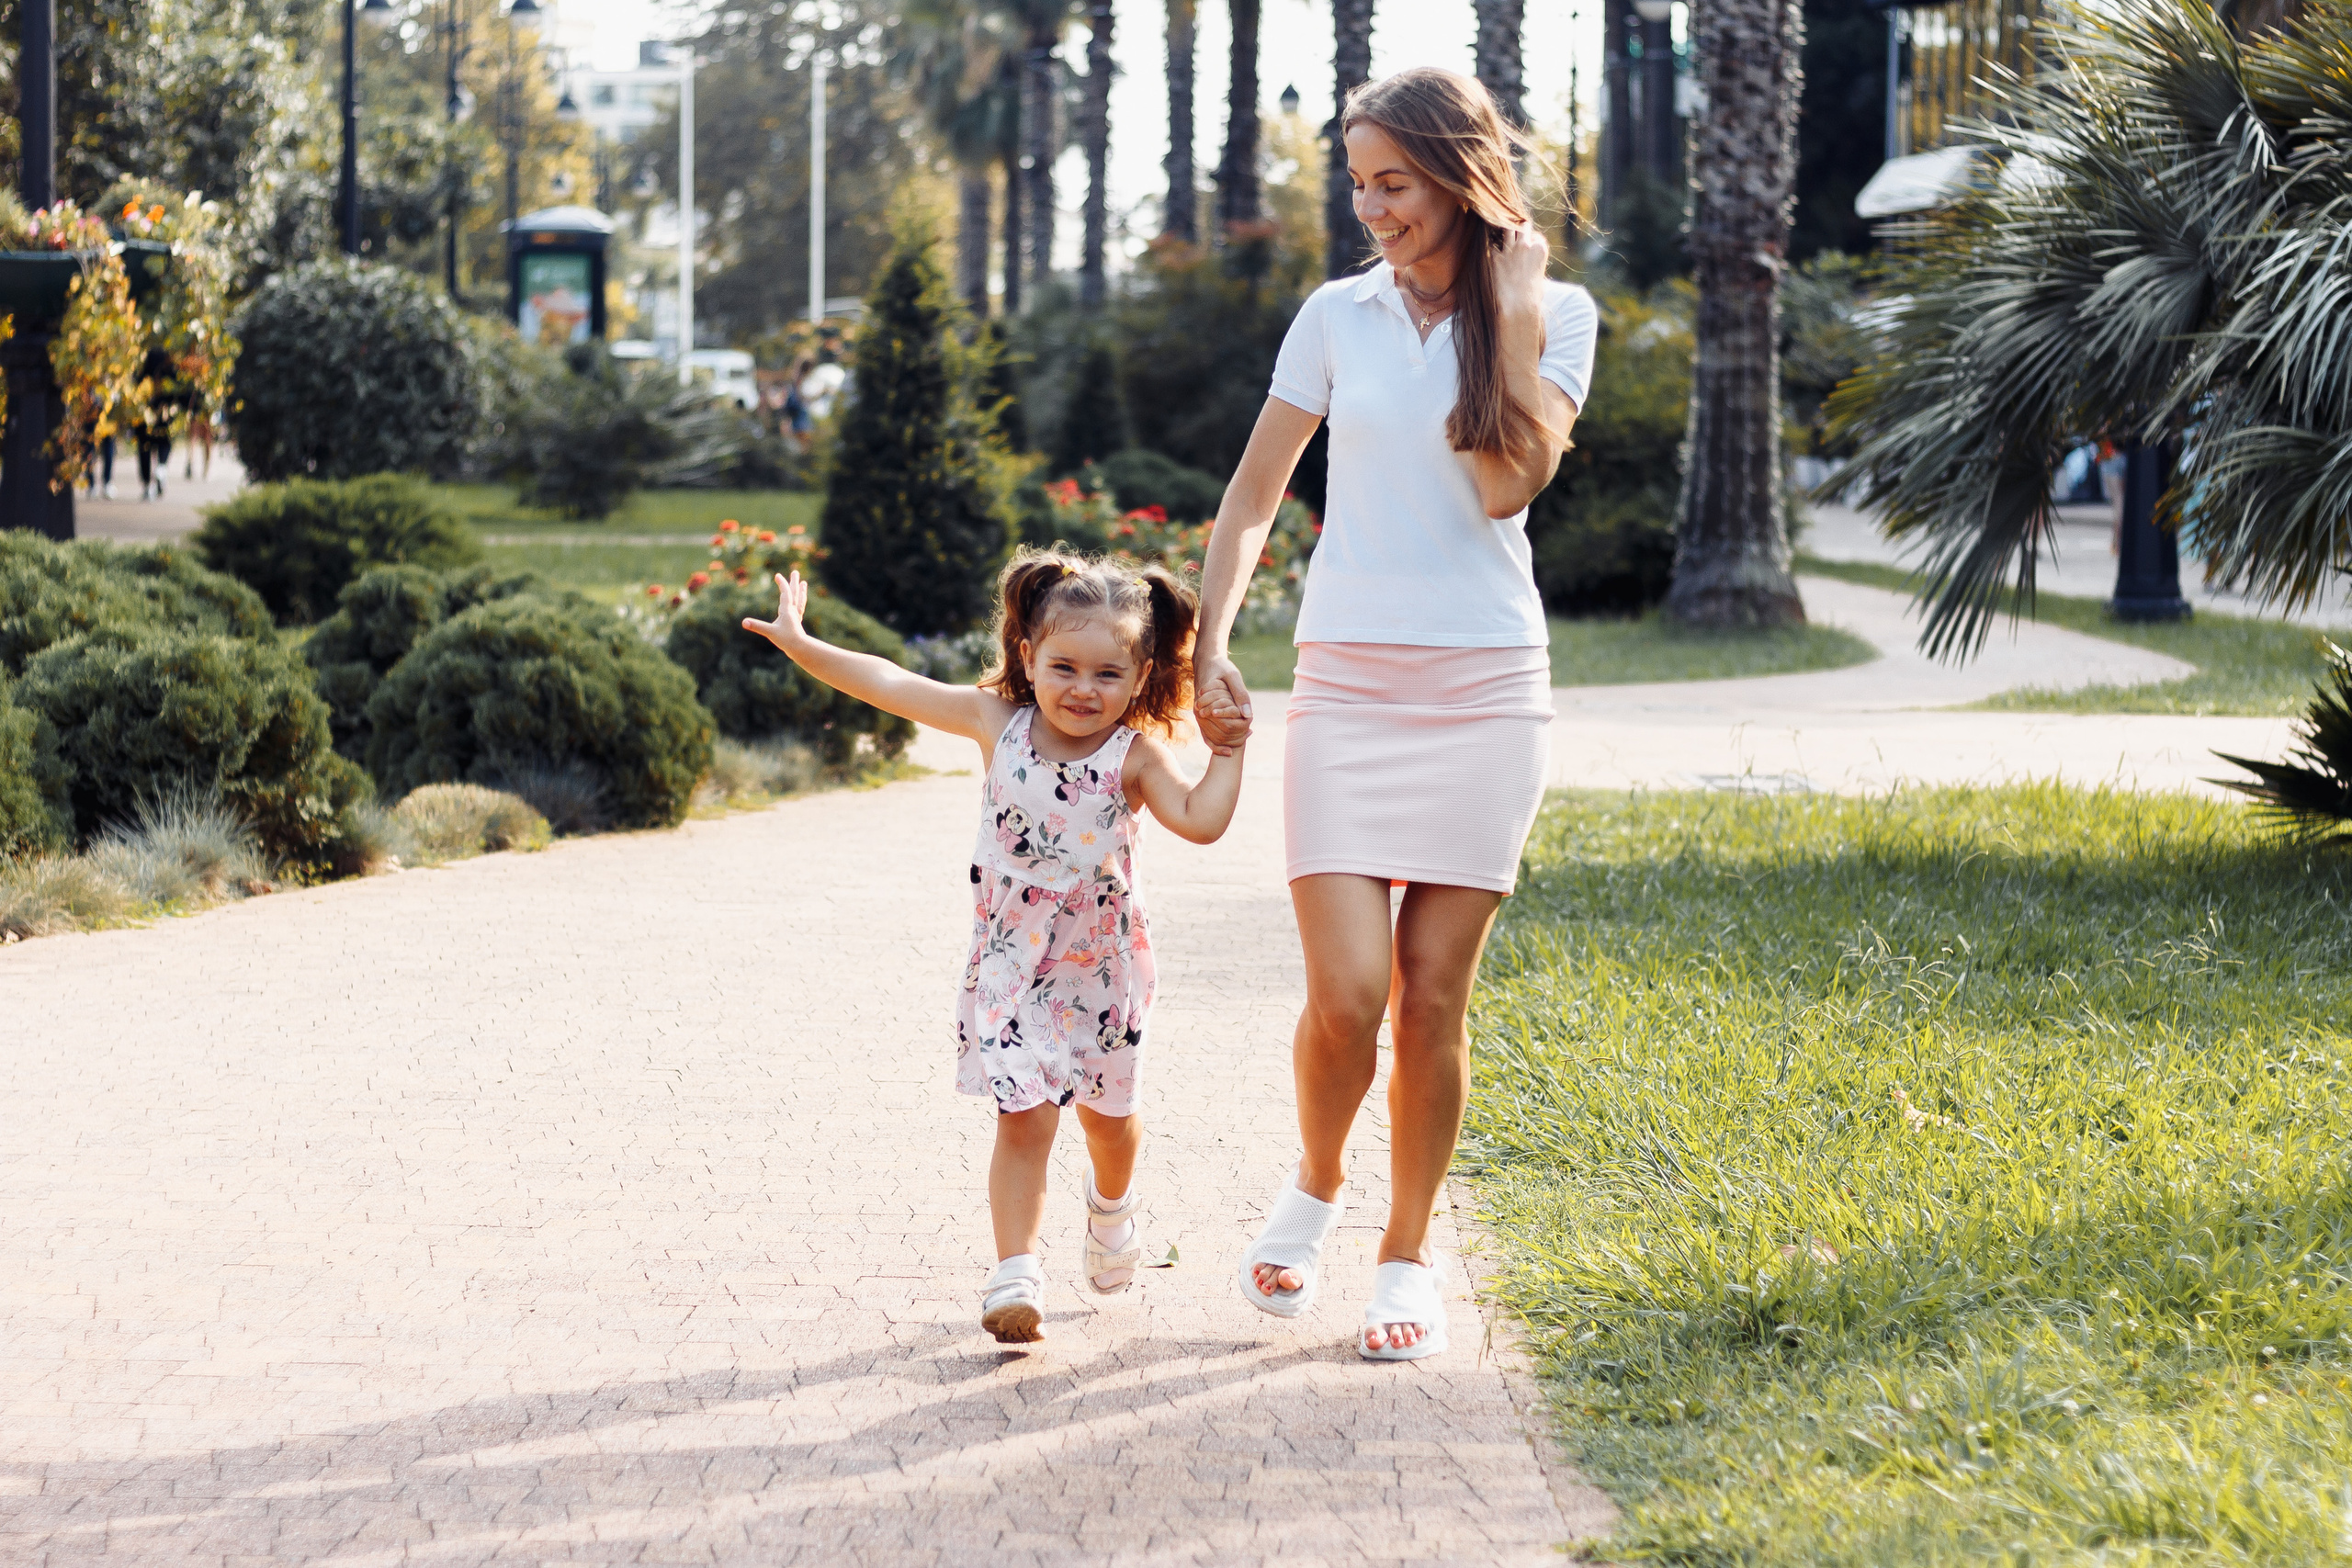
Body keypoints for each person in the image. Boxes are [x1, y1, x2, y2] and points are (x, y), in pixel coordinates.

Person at [1189, 66, 1595, 1361]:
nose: (1371, 209)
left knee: (1431, 996)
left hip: (1484, 689)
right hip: (1351, 680)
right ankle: (1316, 1179)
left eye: (1394, 184)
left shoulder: (1559, 313)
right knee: (1348, 992)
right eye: (1358, 184)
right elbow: (1253, 497)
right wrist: (1206, 645)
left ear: (1462, 176)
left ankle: (1406, 1252)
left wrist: (1513, 311)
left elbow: (1500, 483)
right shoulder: (1334, 315)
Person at [740, 550, 1250, 1343]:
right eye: (1065, 667)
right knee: (1023, 1117)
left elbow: (1202, 819)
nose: (1085, 689)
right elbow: (891, 684)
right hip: (1015, 970)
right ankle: (1015, 1271)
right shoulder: (997, 723)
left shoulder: (1136, 756)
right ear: (1027, 658)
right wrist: (804, 645)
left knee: (1110, 1124)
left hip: (1105, 973)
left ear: (1142, 672)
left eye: (1109, 674)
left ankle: (1110, 1206)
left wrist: (1230, 748)